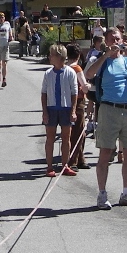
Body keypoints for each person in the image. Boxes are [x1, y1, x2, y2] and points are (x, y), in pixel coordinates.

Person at [84, 27, 127, 210]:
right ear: (106, 42)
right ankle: (102, 194)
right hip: (108, 110)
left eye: (118, 38)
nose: (116, 41)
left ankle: (126, 192)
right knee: (105, 154)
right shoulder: (101, 60)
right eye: (112, 39)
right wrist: (105, 56)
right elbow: (89, 74)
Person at [41, 44, 78, 177]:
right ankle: (49, 167)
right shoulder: (48, 73)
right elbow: (44, 93)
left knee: (66, 137)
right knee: (50, 138)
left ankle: (65, 165)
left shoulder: (70, 72)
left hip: (65, 108)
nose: (50, 57)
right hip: (51, 108)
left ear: (59, 57)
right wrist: (44, 111)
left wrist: (73, 111)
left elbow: (74, 93)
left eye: (52, 55)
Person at [66, 43, 91, 170]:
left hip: (67, 102)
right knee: (79, 132)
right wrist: (89, 86)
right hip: (79, 101)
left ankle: (81, 159)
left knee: (77, 132)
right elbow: (84, 87)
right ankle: (73, 160)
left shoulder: (65, 68)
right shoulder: (77, 68)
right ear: (79, 55)